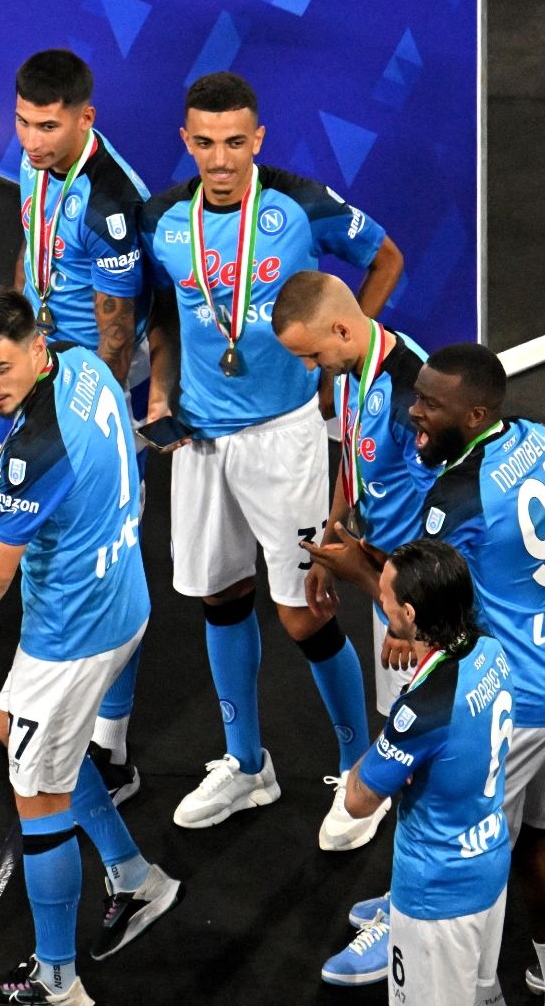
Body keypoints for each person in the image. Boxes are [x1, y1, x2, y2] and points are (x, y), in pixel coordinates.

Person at [139, 70, 405, 846]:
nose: (220, 160)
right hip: (197, 439)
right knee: (218, 598)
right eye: (205, 143)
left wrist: (340, 363)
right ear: (186, 142)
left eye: (235, 143)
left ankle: (361, 776)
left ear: (258, 140)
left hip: (283, 440)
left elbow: (384, 257)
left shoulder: (299, 204)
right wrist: (160, 390)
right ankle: (246, 763)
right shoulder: (164, 219)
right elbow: (162, 306)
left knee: (304, 610)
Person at [0, 289, 179, 1006]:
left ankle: (57, 982)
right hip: (122, 595)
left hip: (71, 634)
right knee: (17, 735)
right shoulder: (84, 364)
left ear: (36, 348)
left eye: (1, 369)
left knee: (38, 797)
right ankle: (137, 879)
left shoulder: (37, 447)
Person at [310, 343, 545, 994]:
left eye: (431, 406)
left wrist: (355, 569)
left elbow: (428, 596)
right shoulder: (537, 438)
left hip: (513, 690)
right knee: (536, 835)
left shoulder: (453, 496)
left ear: (473, 415)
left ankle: (410, 927)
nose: (415, 413)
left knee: (461, 823)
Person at [271, 269, 435, 984]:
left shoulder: (412, 396)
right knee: (403, 739)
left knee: (418, 754)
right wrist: (332, 538)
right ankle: (407, 891)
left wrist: (413, 607)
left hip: (413, 596)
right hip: (378, 576)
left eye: (311, 356)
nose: (309, 370)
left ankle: (413, 911)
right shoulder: (351, 372)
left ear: (341, 329)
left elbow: (447, 513)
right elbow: (354, 466)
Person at [8, 48, 154, 802]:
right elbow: (31, 257)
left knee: (106, 558)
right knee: (50, 546)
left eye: (48, 125)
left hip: (86, 396)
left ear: (84, 118)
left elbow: (116, 331)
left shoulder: (109, 202)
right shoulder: (39, 165)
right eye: (25, 121)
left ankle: (113, 747)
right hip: (39, 377)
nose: (31, 138)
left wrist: (109, 426)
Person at [331, 540, 511, 1006]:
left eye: (386, 596)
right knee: (483, 996)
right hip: (489, 866)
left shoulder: (423, 711)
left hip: (436, 896)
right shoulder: (490, 650)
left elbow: (357, 800)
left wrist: (389, 745)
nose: (380, 601)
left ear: (409, 614)